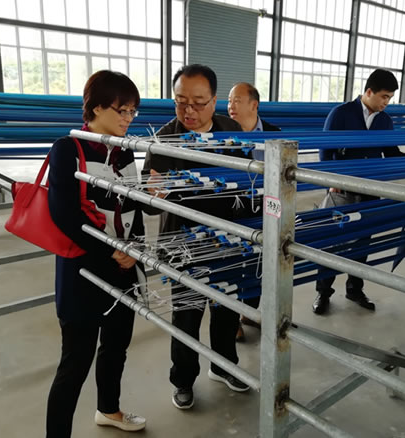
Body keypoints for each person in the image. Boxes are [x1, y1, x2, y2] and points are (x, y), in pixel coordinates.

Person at [142, 64, 250, 411]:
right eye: (180, 101)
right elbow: (147, 200)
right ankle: (183, 380)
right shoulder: (163, 140)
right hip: (183, 243)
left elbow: (248, 183)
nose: (189, 110)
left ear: (214, 101)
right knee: (187, 315)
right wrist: (151, 194)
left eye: (198, 103)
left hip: (228, 239)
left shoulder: (231, 131)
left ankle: (224, 366)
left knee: (227, 309)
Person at [46, 70, 146, 437]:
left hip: (123, 270)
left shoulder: (124, 151)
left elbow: (134, 206)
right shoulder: (68, 149)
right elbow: (64, 215)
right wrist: (111, 252)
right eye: (122, 110)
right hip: (83, 271)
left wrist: (136, 250)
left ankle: (109, 410)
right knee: (75, 362)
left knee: (116, 347)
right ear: (97, 107)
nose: (128, 118)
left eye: (132, 111)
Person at [312, 68, 405, 316]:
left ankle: (355, 290)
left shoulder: (384, 120)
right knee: (332, 244)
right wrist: (331, 179)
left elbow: (391, 152)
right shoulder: (341, 114)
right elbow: (325, 151)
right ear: (369, 92)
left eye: (390, 98)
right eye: (384, 97)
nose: (386, 102)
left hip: (370, 190)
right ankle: (323, 293)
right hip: (341, 190)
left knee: (362, 243)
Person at [227, 82, 280, 342]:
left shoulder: (274, 135)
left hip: (263, 210)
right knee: (232, 264)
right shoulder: (222, 133)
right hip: (231, 209)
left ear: (254, 104)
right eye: (229, 101)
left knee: (260, 263)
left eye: (237, 100)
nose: (230, 106)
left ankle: (249, 311)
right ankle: (231, 321)